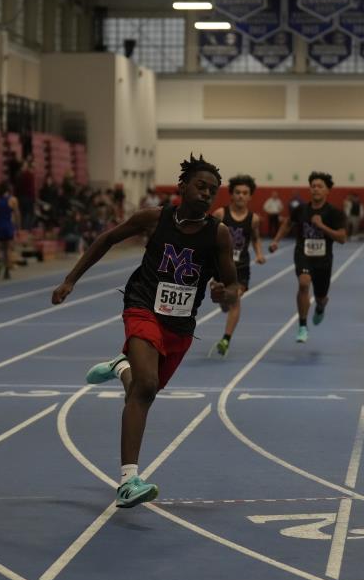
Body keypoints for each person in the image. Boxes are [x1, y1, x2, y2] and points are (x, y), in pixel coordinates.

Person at [52, 154, 240, 509]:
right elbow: (107, 239)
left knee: (141, 389)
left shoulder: (218, 234)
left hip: (180, 324)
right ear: (182, 186)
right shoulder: (155, 218)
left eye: (212, 191)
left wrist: (223, 295)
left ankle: (121, 367)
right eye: (200, 186)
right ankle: (128, 482)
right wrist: (70, 279)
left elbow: (232, 287)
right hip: (142, 306)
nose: (206, 194)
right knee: (147, 386)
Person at [268, 172, 347, 343]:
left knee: (320, 296)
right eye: (313, 186)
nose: (316, 189)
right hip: (303, 254)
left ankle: (320, 306)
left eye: (320, 186)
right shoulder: (301, 210)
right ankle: (302, 326)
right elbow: (287, 223)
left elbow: (342, 238)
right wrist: (276, 241)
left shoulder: (334, 213)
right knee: (303, 283)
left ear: (327, 191)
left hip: (323, 260)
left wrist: (322, 226)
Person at [209, 174, 265, 358]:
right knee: (224, 300)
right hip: (220, 266)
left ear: (250, 196)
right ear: (231, 194)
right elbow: (208, 236)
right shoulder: (220, 214)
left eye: (245, 193)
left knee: (235, 299)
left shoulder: (253, 219)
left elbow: (255, 238)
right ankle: (223, 300)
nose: (241, 195)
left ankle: (226, 339)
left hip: (241, 268)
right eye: (238, 192)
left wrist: (259, 253)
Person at [0, 181, 20, 279]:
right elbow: (17, 215)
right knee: (8, 249)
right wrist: (18, 227)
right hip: (8, 226)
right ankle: (7, 271)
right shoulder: (13, 200)